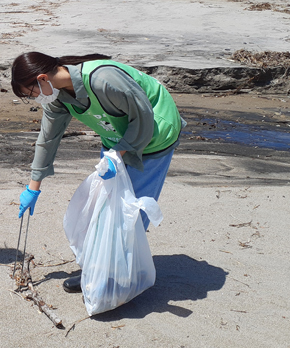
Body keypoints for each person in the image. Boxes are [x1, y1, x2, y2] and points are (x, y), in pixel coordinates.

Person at [10, 51, 184, 294]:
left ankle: (121, 280)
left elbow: (143, 117)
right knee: (102, 209)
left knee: (128, 211)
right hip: (115, 138)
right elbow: (47, 138)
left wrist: (118, 155)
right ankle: (102, 269)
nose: (36, 99)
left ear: (41, 79)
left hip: (154, 136)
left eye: (31, 93)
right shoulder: (58, 95)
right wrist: (33, 186)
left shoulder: (103, 79)